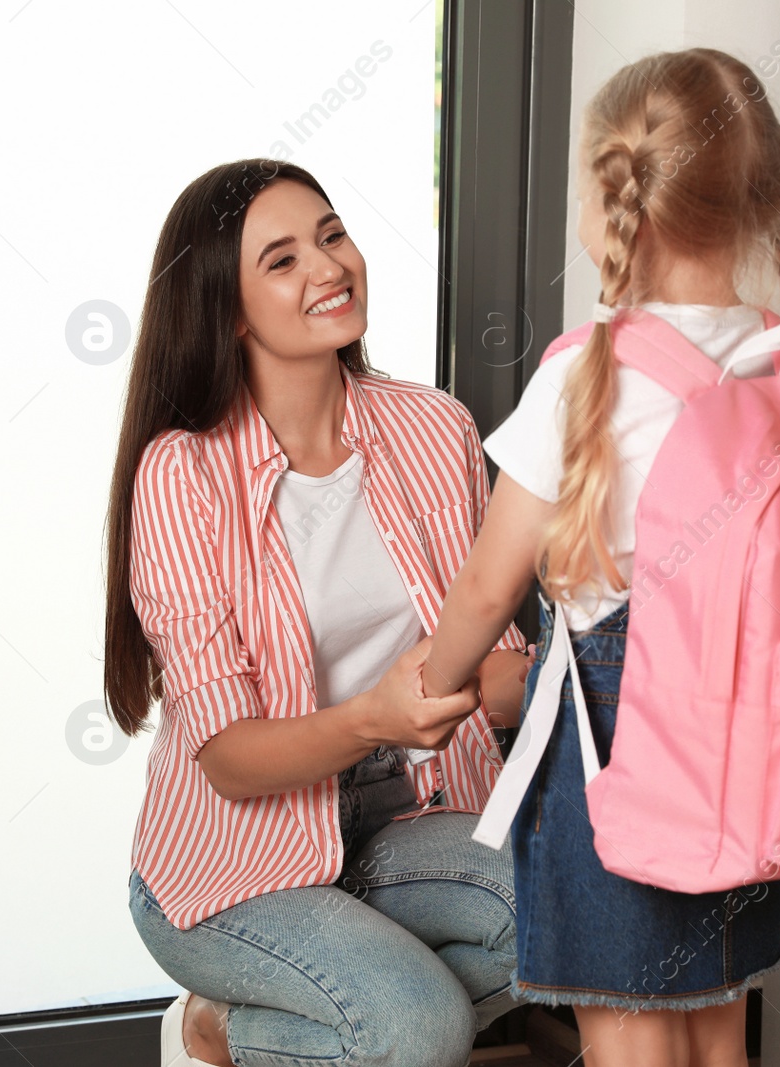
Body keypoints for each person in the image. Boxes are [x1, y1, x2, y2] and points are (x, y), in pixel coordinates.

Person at [421, 48, 780, 1067]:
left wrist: (434, 685)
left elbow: (486, 581)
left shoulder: (583, 375)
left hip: (613, 740)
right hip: (749, 736)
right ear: (765, 187)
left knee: (629, 1034)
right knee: (715, 1024)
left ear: (611, 197)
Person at [103, 158, 534, 1067]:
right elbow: (226, 758)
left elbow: (492, 661)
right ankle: (209, 1024)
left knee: (563, 919)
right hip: (232, 867)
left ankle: (285, 1016)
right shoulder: (183, 475)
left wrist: (563, 665)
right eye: (284, 259)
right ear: (227, 307)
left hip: (407, 821)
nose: (329, 268)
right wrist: (372, 716)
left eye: (332, 235)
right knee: (419, 1029)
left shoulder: (434, 428)